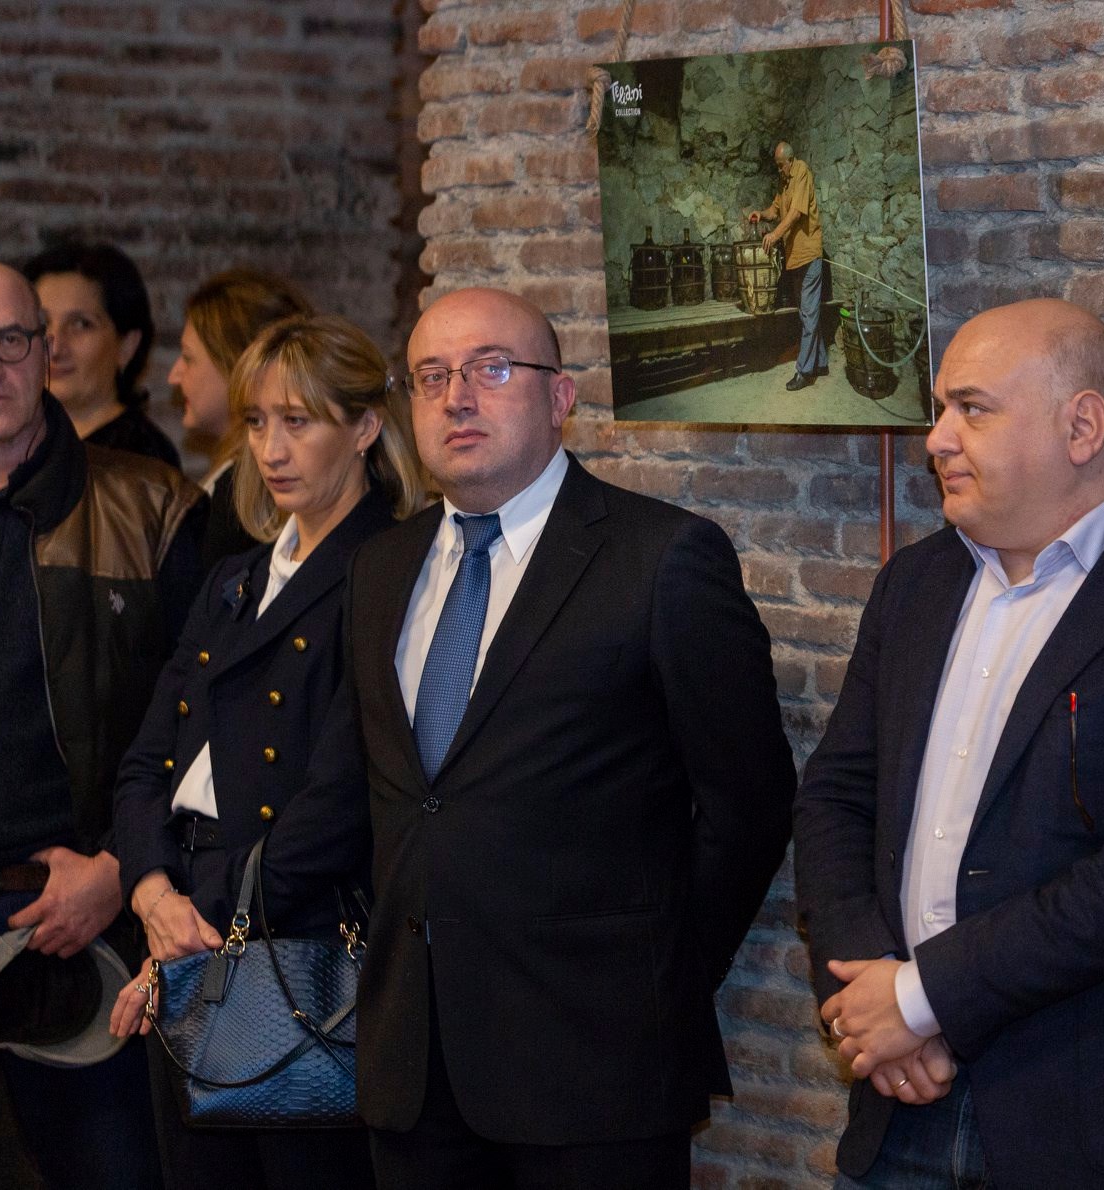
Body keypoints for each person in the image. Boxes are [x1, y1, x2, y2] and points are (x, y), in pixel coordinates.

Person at [268, 287, 795, 1187]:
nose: (456, 398)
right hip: (413, 1070)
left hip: (597, 1065)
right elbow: (370, 791)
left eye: (491, 369)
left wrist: (654, 976)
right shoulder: (380, 568)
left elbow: (747, 805)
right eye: (431, 376)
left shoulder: (661, 558)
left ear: (560, 397)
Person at [795, 298, 1104, 1188]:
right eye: (941, 409)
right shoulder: (914, 585)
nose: (936, 439)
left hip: (1081, 1127)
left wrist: (920, 999)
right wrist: (865, 992)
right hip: (899, 1107)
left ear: (1081, 427)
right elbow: (836, 797)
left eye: (972, 409)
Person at [0, 259, 206, 1189]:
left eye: (10, 340)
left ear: (44, 353)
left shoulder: (154, 507)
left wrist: (121, 868)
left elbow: (210, 726)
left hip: (80, 929)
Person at [108, 313, 423, 1190]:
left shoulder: (390, 572)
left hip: (291, 938)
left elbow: (343, 797)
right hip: (184, 921)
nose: (271, 450)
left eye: (298, 421)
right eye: (255, 422)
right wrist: (152, 894)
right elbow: (144, 763)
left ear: (364, 428)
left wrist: (200, 928)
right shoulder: (234, 579)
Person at [168, 268, 315, 569]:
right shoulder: (236, 479)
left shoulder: (244, 490)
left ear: (236, 362)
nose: (174, 375)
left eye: (188, 358)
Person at [24, 240, 182, 469]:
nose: (55, 347)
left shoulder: (141, 460)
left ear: (127, 345)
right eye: (42, 323)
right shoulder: (17, 446)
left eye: (80, 324)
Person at [747, 140, 828, 391]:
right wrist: (761, 214)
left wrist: (775, 235)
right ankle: (821, 361)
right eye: (777, 165)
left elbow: (795, 213)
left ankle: (804, 371)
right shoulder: (784, 182)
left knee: (809, 313)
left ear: (790, 161)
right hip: (795, 258)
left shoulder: (801, 171)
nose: (779, 169)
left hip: (810, 254)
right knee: (806, 312)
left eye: (781, 165)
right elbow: (776, 209)